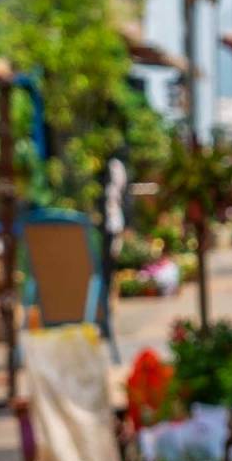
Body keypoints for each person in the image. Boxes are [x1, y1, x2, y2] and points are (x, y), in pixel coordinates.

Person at [97, 147, 130, 345]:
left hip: (111, 227)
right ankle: (103, 319)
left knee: (107, 274)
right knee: (105, 274)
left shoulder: (113, 167)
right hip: (106, 229)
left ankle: (104, 319)